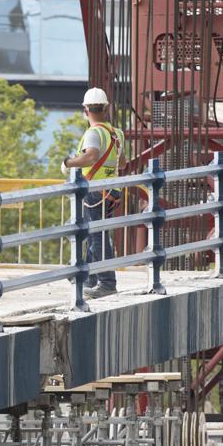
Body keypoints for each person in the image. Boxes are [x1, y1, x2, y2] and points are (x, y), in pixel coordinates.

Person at [60, 87, 124, 298]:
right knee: (95, 234)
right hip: (112, 191)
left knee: (97, 237)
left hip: (95, 191)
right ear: (106, 108)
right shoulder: (117, 134)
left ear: (86, 109)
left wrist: (68, 162)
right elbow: (122, 162)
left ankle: (106, 282)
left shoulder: (93, 133)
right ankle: (90, 278)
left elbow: (91, 157)